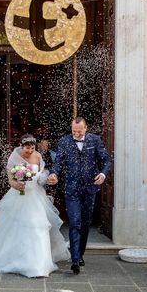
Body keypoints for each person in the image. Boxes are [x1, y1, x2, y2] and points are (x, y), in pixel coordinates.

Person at [0, 135, 70, 277]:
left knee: (38, 226)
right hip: (18, 195)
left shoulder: (37, 156)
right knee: (15, 227)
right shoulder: (14, 158)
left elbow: (40, 179)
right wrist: (18, 185)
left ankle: (39, 265)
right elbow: (11, 180)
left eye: (32, 148)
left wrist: (49, 180)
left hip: (36, 197)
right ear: (21, 145)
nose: (30, 151)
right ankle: (16, 258)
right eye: (27, 148)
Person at [47, 117, 112, 275]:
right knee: (75, 222)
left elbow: (106, 160)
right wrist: (54, 173)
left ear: (85, 128)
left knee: (85, 223)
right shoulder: (64, 141)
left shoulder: (95, 140)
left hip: (90, 188)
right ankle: (75, 259)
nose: (76, 133)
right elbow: (58, 162)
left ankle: (80, 254)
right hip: (72, 189)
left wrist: (103, 174)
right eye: (73, 131)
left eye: (79, 131)